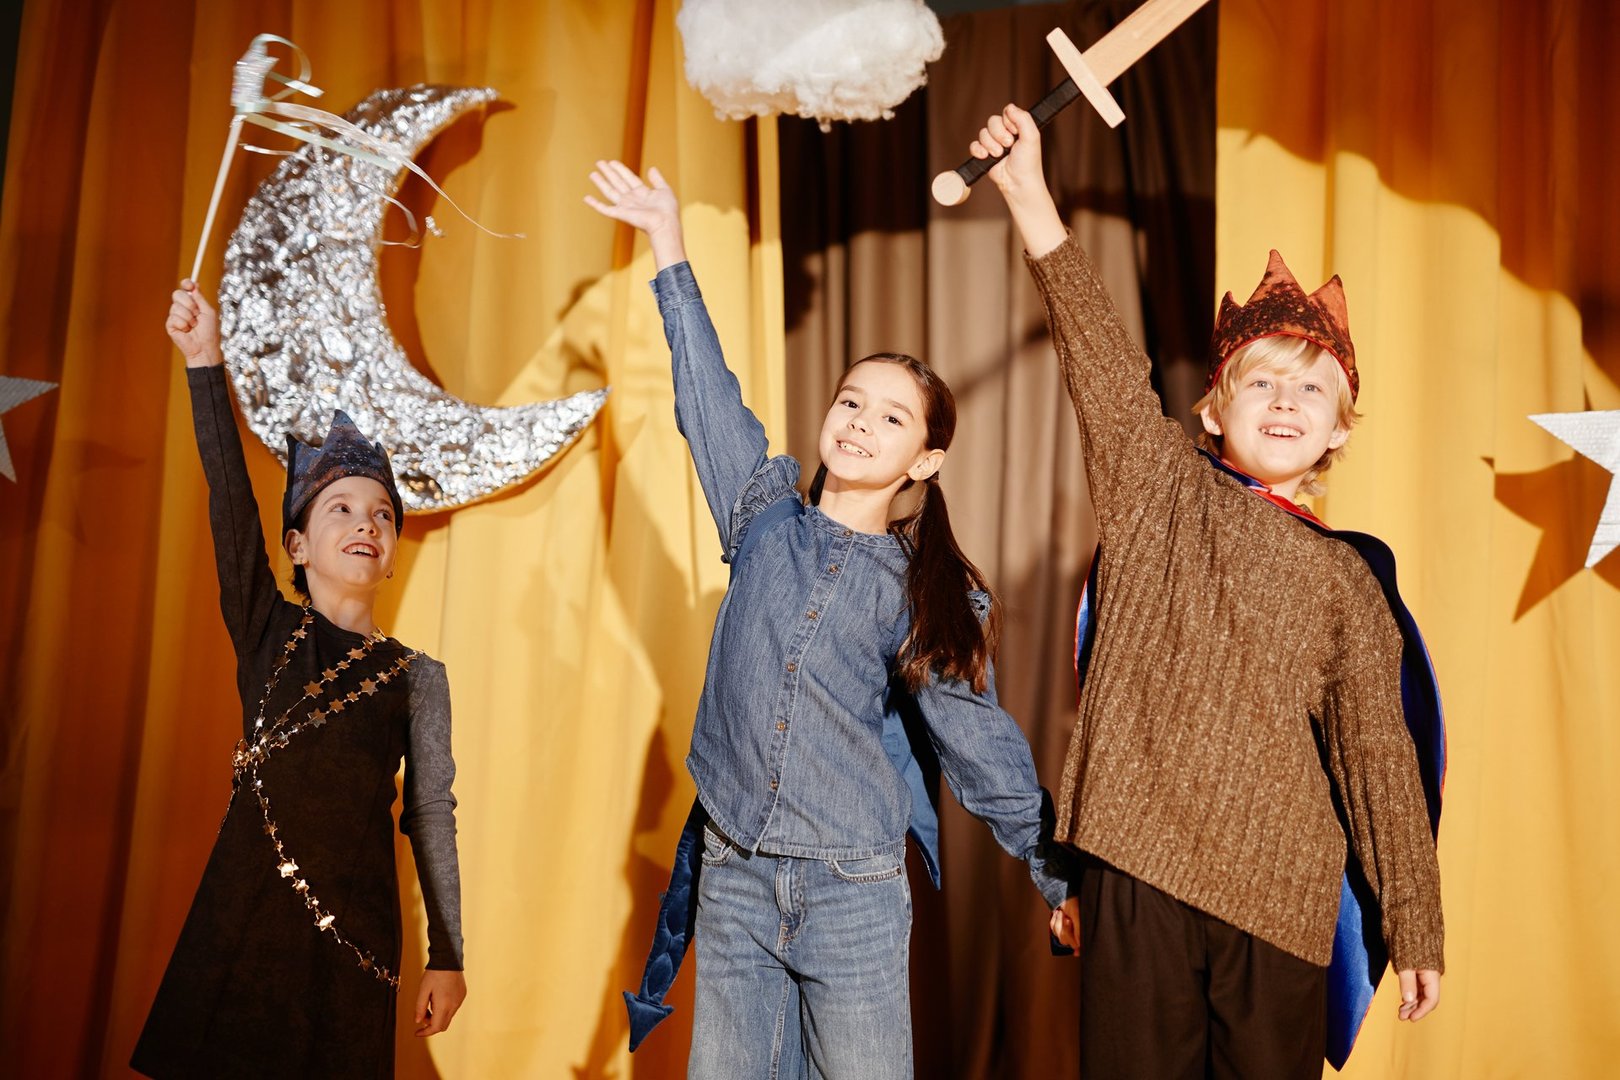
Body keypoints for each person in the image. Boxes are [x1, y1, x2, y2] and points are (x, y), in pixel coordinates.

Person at [968, 105, 1445, 1077]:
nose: (1284, 403)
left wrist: (1416, 918)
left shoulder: (1349, 579)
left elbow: (1376, 751)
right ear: (1214, 405)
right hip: (1138, 863)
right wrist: (1028, 193)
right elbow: (1100, 360)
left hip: (1280, 894)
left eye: (1311, 391)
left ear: (1340, 429)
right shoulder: (1159, 491)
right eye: (1261, 383)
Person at [586, 160, 1070, 1079]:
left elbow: (982, 748)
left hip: (852, 891)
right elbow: (709, 404)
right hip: (734, 877)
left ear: (923, 463)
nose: (858, 423)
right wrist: (667, 243)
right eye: (851, 401)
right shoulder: (763, 518)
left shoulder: (925, 593)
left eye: (890, 418)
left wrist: (1055, 872)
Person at [132, 282, 467, 1078]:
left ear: (391, 550)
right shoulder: (267, 629)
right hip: (240, 917)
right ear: (297, 546)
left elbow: (431, 816)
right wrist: (204, 363)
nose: (365, 525)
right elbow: (228, 500)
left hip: (349, 944)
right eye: (341, 510)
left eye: (382, 515)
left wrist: (447, 951)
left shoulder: (417, 679)